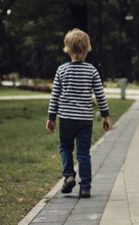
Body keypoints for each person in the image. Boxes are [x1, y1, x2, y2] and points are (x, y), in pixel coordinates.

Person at [45, 28, 111, 198]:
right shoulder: (92, 71)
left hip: (66, 119)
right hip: (84, 120)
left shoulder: (61, 70)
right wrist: (105, 116)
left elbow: (55, 96)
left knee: (65, 147)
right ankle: (85, 187)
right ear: (87, 49)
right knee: (83, 154)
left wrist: (51, 118)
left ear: (67, 49)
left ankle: (68, 176)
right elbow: (100, 95)